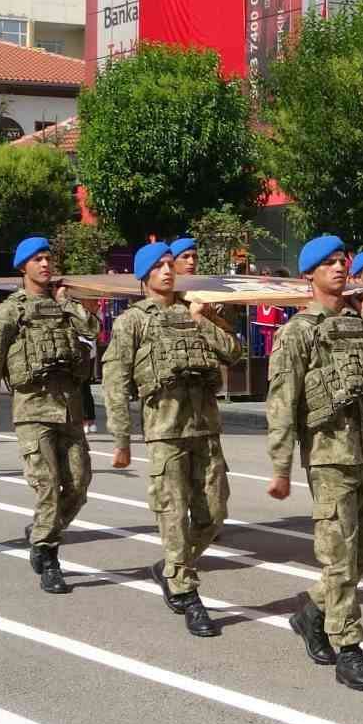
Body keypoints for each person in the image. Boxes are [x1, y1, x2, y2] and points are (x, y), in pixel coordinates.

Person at [265, 236, 363, 692]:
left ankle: (312, 611)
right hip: (330, 458)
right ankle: (349, 649)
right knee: (338, 556)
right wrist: (281, 466)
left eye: (341, 262)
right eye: (327, 263)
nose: (337, 268)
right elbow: (282, 400)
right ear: (308, 275)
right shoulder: (298, 332)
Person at [103, 241, 245, 636]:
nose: (168, 271)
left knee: (214, 514)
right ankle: (186, 592)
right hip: (165, 432)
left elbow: (235, 352)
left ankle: (170, 567)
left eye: (171, 265)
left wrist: (203, 320)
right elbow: (115, 381)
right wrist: (120, 439)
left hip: (206, 428)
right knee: (172, 513)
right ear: (145, 275)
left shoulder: (194, 310)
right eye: (160, 266)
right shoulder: (132, 321)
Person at [0, 237, 101, 594]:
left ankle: (42, 532)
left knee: (78, 485)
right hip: (32, 409)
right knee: (47, 486)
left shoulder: (64, 305)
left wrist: (68, 303)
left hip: (69, 409)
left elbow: (93, 331)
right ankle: (49, 556)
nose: (45, 265)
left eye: (48, 258)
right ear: (23, 267)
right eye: (37, 260)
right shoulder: (11, 310)